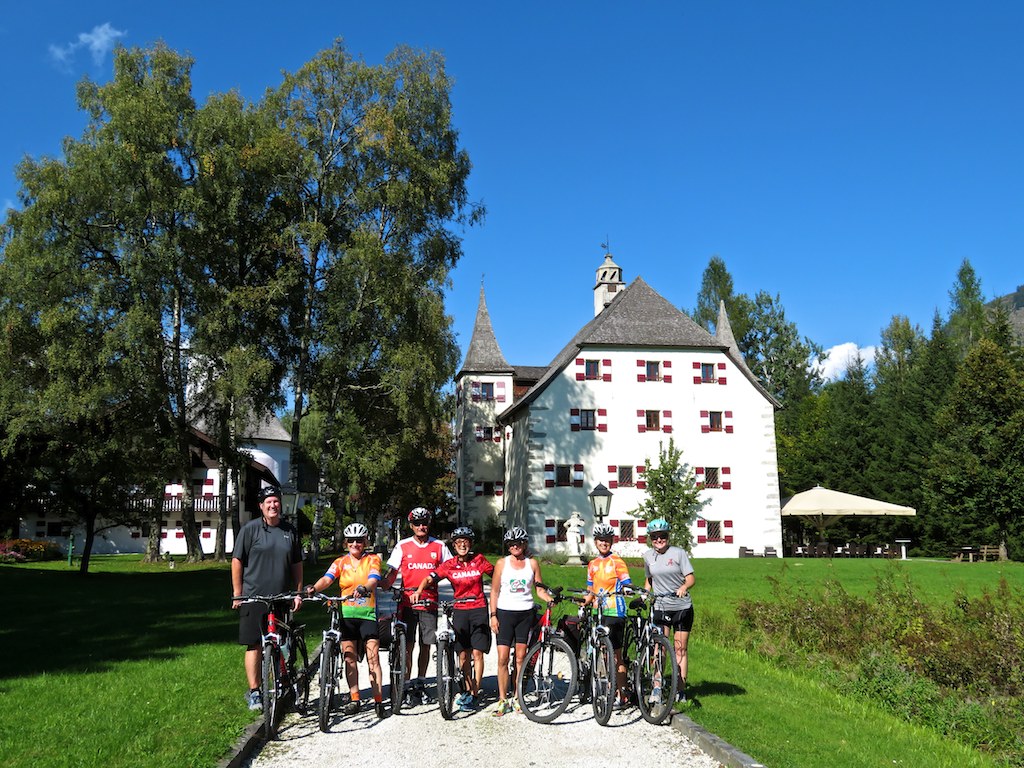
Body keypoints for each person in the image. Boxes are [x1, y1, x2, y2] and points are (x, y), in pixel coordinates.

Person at [231, 485, 303, 711]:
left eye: (276, 501)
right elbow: (237, 560)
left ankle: (284, 678)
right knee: (254, 644)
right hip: (254, 596)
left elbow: (297, 564)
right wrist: (238, 594)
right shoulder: (250, 530)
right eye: (268, 502)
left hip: (281, 596)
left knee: (282, 641)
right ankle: (255, 691)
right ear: (261, 506)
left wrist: (298, 592)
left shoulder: (290, 531)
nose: (273, 505)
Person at [305, 522, 386, 718]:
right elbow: (327, 579)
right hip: (347, 615)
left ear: (365, 542)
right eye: (351, 541)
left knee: (373, 658)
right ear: (346, 542)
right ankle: (355, 698)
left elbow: (374, 578)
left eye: (359, 540)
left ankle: (378, 700)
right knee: (349, 658)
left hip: (367, 615)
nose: (355, 544)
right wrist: (314, 588)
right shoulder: (341, 562)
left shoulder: (373, 559)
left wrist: (365, 588)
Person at [412, 525, 494, 712]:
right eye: (458, 542)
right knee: (463, 654)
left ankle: (475, 693)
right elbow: (430, 578)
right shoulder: (449, 565)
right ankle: (466, 688)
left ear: (470, 544)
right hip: (460, 610)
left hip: (479, 608)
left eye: (466, 542)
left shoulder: (479, 560)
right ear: (454, 545)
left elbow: (497, 574)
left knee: (477, 653)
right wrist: (419, 590)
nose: (462, 545)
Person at [381, 506, 453, 706]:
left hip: (429, 602)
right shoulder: (403, 546)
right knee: (408, 645)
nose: (421, 527)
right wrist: (380, 584)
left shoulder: (439, 546)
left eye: (424, 523)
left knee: (426, 644)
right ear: (411, 526)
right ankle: (405, 683)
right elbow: (392, 573)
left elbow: (450, 570)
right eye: (417, 523)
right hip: (407, 603)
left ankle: (420, 682)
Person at [489, 527, 553, 716]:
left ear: (524, 544)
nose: (514, 547)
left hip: (525, 614)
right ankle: (502, 699)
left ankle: (517, 697)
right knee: (502, 658)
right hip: (505, 613)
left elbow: (539, 589)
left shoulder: (532, 564)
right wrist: (493, 615)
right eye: (511, 544)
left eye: (518, 543)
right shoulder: (502, 563)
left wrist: (548, 598)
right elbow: (494, 591)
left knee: (520, 658)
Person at [642, 517, 695, 703]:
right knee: (659, 649)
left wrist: (684, 587)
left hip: (681, 607)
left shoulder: (678, 553)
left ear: (668, 536)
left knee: (680, 649)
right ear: (650, 538)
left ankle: (680, 690)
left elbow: (690, 578)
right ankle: (657, 687)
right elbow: (649, 579)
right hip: (660, 606)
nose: (659, 540)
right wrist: (645, 594)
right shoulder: (648, 556)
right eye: (655, 537)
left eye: (662, 536)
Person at [584, 522, 633, 708]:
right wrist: (584, 601)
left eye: (607, 540)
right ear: (595, 542)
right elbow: (590, 590)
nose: (604, 543)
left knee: (616, 654)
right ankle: (608, 689)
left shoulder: (617, 561)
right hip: (598, 612)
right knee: (603, 653)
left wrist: (627, 589)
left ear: (611, 542)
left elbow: (626, 582)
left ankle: (622, 693)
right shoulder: (592, 564)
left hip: (615, 611)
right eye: (600, 540)